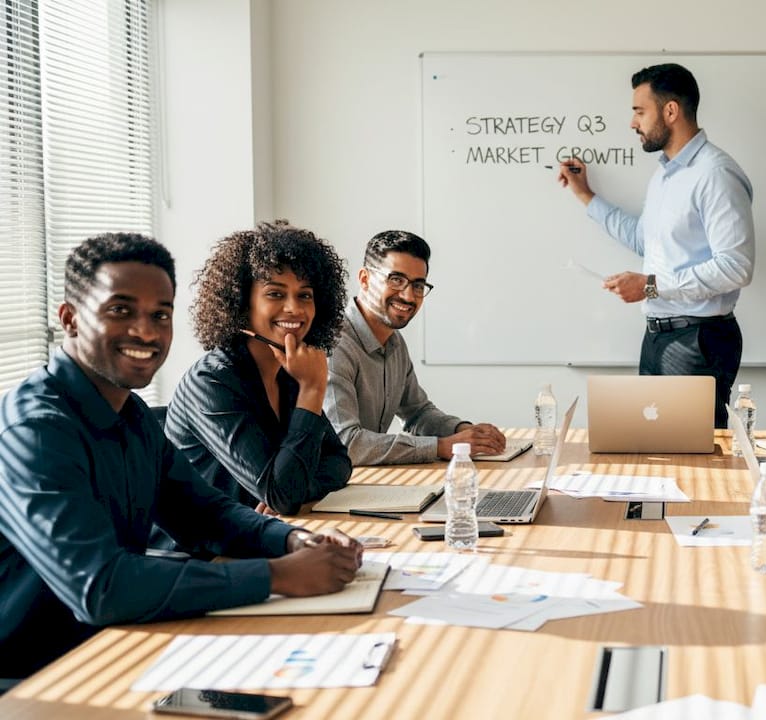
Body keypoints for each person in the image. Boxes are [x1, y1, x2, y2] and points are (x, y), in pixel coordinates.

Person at [0, 234, 361, 680]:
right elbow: (101, 587)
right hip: (38, 676)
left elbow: (204, 512)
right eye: (121, 310)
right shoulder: (36, 430)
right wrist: (279, 576)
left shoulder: (129, 414)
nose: (147, 331)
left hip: (119, 643)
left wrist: (291, 540)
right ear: (70, 319)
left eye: (160, 315)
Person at [557, 62, 754, 427]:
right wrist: (585, 195)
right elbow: (642, 239)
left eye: (638, 111)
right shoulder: (665, 174)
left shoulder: (715, 174)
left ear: (671, 111)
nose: (633, 123)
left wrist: (648, 285)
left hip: (698, 339)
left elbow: (736, 265)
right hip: (659, 335)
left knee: (693, 457)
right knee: (658, 446)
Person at [164, 221, 351, 515]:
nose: (294, 308)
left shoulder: (289, 371)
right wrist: (313, 389)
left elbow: (339, 463)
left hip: (260, 534)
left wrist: (296, 491)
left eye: (305, 295)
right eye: (276, 294)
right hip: (205, 553)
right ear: (241, 303)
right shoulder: (211, 382)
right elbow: (283, 496)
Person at [324, 230, 507, 464]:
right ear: (364, 279)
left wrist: (463, 431)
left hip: (367, 480)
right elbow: (347, 443)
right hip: (327, 492)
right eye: (396, 280)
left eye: (418, 285)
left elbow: (417, 413)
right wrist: (440, 447)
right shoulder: (334, 344)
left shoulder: (394, 342)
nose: (409, 296)